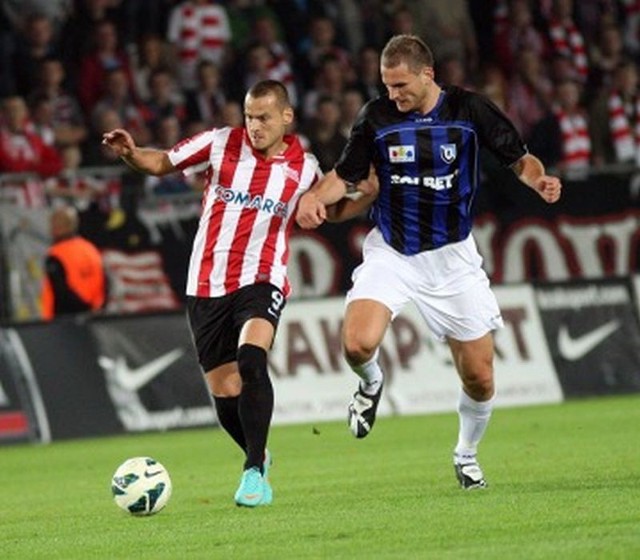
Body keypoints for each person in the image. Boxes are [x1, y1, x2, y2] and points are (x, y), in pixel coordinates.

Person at [296, 35, 562, 490]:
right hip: (394, 250)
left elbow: (519, 159)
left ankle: (466, 453)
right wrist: (313, 199)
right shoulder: (375, 118)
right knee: (357, 344)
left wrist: (539, 181)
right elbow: (345, 176)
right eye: (387, 85)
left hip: (452, 257)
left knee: (479, 377)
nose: (393, 94)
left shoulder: (469, 110)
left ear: (427, 74)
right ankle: (370, 384)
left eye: (401, 85)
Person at [102, 80, 323, 507]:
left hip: (262, 278)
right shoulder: (221, 143)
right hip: (206, 284)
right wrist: (131, 153)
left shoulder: (306, 167)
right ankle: (257, 453)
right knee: (225, 392)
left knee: (251, 360)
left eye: (264, 117)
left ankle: (254, 470)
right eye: (249, 117)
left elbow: (331, 199)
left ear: (286, 117)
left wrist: (358, 192)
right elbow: (162, 161)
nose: (255, 126)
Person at [41, 205, 106, 320]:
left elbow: (61, 292)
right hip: (93, 316)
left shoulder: (56, 254)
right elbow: (105, 282)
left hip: (64, 320)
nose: (51, 228)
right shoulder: (90, 249)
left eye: (55, 223)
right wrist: (93, 308)